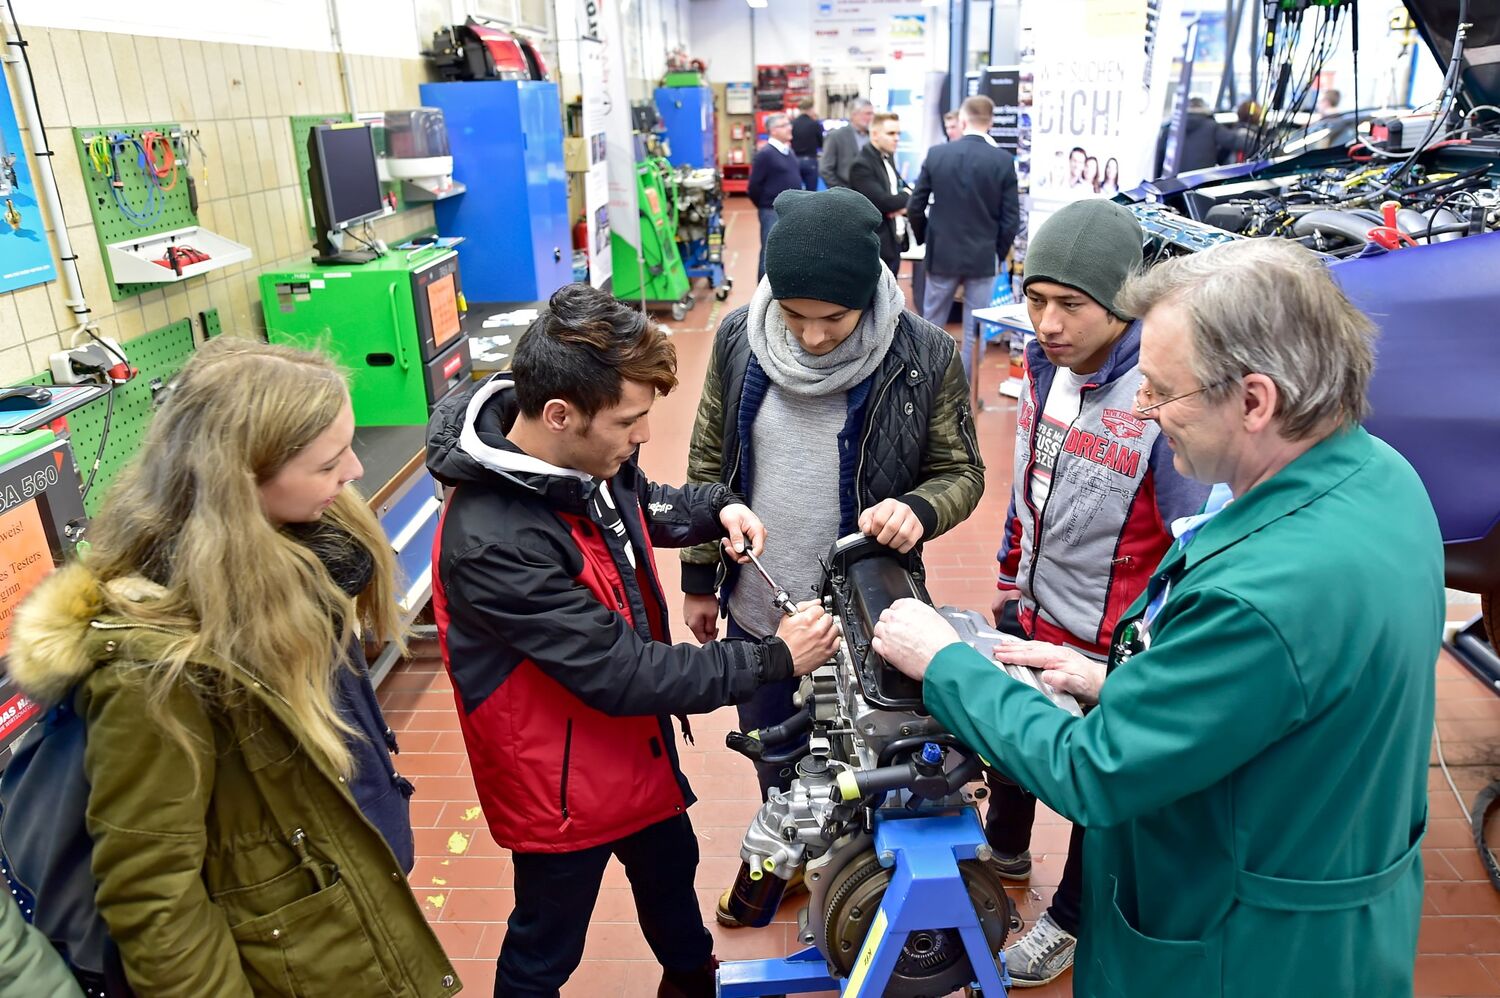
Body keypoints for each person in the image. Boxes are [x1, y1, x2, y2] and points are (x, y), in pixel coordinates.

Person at [871, 237, 1443, 998]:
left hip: (1242, 949)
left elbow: (1093, 771)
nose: (1144, 410)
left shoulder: (1267, 592)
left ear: (1253, 399)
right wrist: (1128, 682)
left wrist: (948, 663)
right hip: (1331, 894)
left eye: (1163, 392)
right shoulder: (1379, 476)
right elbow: (1283, 691)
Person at [8, 338, 459, 996]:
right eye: (330, 461)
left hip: (338, 915)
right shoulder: (155, 664)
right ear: (242, 483)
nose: (357, 469)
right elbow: (156, 905)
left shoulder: (304, 556)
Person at [426, 284, 841, 998]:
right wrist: (776, 657)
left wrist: (718, 508)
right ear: (560, 415)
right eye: (630, 420)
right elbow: (624, 674)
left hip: (631, 755)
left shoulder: (583, 461)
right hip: (561, 787)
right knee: (545, 943)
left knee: (671, 880)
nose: (643, 435)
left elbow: (642, 504)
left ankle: (688, 982)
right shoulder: (494, 540)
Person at [679, 187, 985, 925]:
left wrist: (917, 509)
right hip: (762, 604)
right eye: (795, 317)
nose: (812, 338)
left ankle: (851, 877)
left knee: (866, 760)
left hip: (869, 618)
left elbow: (963, 473)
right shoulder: (737, 339)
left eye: (834, 320)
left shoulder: (924, 354)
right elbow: (705, 465)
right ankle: (784, 855)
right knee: (775, 750)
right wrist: (697, 578)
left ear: (869, 297)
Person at [986, 199, 1211, 987]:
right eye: (1035, 299)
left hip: (1110, 644)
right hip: (1035, 614)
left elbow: (1192, 550)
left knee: (1092, 791)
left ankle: (1071, 919)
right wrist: (1012, 584)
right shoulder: (1044, 365)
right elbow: (1029, 485)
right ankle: (1003, 850)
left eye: (1070, 305)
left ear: (1119, 304)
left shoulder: (1162, 394)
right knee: (1010, 742)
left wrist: (1138, 656)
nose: (1046, 322)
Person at [908, 94, 1021, 384]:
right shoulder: (1003, 161)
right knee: (975, 329)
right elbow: (1011, 219)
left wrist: (924, 240)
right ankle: (964, 394)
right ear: (991, 122)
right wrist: (995, 252)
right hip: (982, 256)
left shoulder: (937, 155)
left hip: (942, 252)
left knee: (932, 324)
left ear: (962, 120)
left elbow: (915, 206)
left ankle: (924, 385)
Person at [847, 111, 912, 276]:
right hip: (876, 245)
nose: (896, 138)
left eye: (898, 133)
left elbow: (905, 190)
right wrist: (904, 198)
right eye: (891, 133)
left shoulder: (888, 158)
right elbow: (884, 202)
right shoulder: (861, 165)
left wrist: (902, 200)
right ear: (875, 135)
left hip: (893, 240)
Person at [747, 113, 802, 282]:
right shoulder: (766, 154)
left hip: (790, 210)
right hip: (772, 211)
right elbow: (753, 187)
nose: (789, 128)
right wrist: (766, 205)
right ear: (773, 130)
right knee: (769, 252)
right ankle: (762, 294)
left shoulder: (788, 152)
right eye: (784, 125)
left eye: (789, 124)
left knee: (787, 251)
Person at [819, 97, 874, 189]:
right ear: (854, 115)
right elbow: (825, 169)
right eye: (868, 114)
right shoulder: (836, 136)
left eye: (872, 114)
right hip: (847, 192)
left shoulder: (873, 137)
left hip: (872, 193)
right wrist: (840, 191)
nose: (871, 117)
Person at [790, 97, 822, 192]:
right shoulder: (814, 124)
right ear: (811, 109)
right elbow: (821, 143)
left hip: (794, 161)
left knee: (795, 191)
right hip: (810, 161)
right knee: (811, 193)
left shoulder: (792, 123)